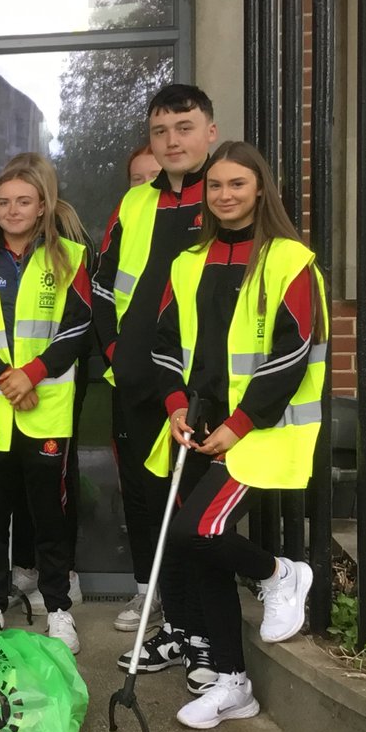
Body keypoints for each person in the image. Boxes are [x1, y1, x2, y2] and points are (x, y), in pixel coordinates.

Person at [147, 141, 322, 729]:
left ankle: (280, 574)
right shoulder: (187, 262)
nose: (224, 196)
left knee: (202, 529)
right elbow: (164, 344)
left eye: (237, 185)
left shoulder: (290, 260)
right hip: (198, 425)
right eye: (215, 186)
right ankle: (232, 681)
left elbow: (293, 353)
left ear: (260, 189)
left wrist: (238, 424)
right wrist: (175, 406)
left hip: (259, 430)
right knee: (195, 547)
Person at [92, 83, 219, 694]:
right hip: (138, 387)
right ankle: (177, 625)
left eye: (184, 128)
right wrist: (117, 353)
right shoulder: (135, 202)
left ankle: (208, 644)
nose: (172, 141)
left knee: (192, 517)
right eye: (161, 131)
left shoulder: (225, 193)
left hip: (200, 393)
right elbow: (101, 287)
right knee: (151, 509)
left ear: (209, 133)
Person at [0, 158, 92, 651]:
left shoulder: (70, 258)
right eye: (4, 201)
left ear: (41, 207)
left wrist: (31, 374)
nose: (13, 210)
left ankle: (58, 608)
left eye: (24, 202)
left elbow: (78, 327)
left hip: (46, 406)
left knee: (48, 515)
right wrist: (7, 379)